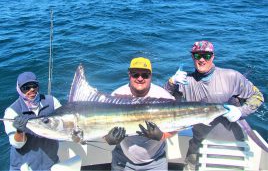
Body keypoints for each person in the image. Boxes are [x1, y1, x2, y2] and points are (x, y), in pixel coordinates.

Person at [164, 40, 264, 171]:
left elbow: (258, 97)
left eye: (206, 56)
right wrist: (171, 83)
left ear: (213, 57)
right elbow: (163, 103)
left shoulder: (232, 76)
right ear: (192, 57)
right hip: (198, 147)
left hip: (233, 146)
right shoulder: (184, 82)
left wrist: (241, 111)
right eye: (197, 55)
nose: (201, 60)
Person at [105, 57, 176, 171]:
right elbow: (100, 125)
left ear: (151, 76)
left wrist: (162, 136)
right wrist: (108, 138)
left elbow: (178, 124)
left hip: (155, 160)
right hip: (123, 159)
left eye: (145, 75)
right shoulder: (116, 96)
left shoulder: (164, 97)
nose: (140, 78)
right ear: (129, 75)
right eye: (135, 74)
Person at [3, 71, 62, 171]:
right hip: (24, 167)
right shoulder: (12, 112)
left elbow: (62, 124)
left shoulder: (52, 101)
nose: (32, 90)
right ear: (19, 89)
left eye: (34, 86)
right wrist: (19, 131)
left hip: (51, 163)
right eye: (26, 88)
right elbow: (16, 144)